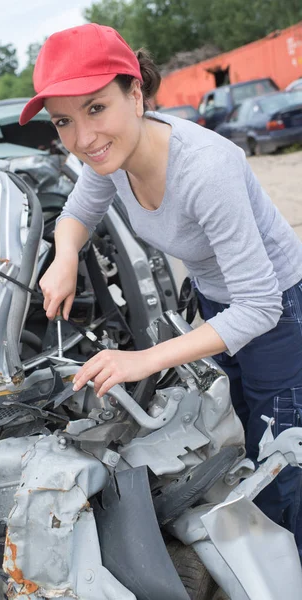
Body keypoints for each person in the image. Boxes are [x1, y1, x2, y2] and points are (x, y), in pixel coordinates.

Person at [20, 23, 302, 557]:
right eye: (63, 121)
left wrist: (141, 359)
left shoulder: (206, 169)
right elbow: (76, 212)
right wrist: (63, 257)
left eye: (95, 107)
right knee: (245, 432)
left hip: (278, 309)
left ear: (135, 91)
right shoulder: (110, 157)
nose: (82, 139)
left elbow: (261, 305)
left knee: (284, 458)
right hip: (223, 302)